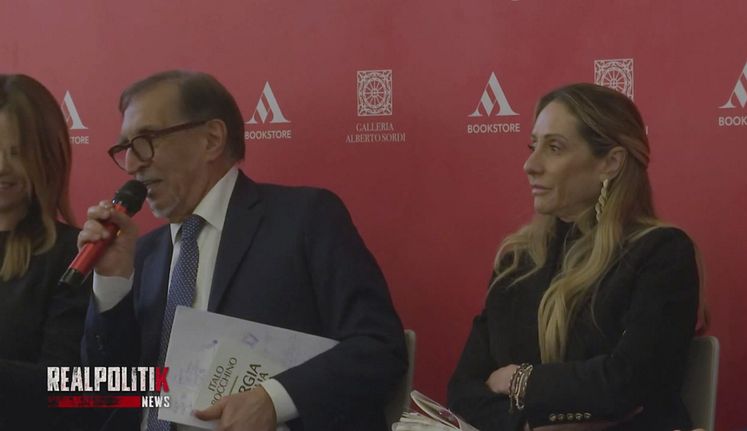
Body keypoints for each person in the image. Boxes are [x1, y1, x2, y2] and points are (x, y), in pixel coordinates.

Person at [79, 70, 407, 431]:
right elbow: (108, 395)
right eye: (124, 148)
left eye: (146, 140)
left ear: (211, 139)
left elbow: (379, 347)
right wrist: (111, 284)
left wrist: (274, 400)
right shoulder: (142, 255)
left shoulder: (304, 220)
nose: (131, 164)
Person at [447, 83, 700, 431]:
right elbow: (463, 392)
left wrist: (520, 380)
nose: (530, 165)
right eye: (533, 146)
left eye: (554, 148)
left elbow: (627, 383)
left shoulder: (661, 253)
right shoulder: (517, 261)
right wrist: (526, 426)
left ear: (610, 163)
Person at [0, 74, 91, 428]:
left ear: (47, 156)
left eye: (16, 153)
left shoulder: (77, 255)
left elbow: (62, 385)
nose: (2, 166)